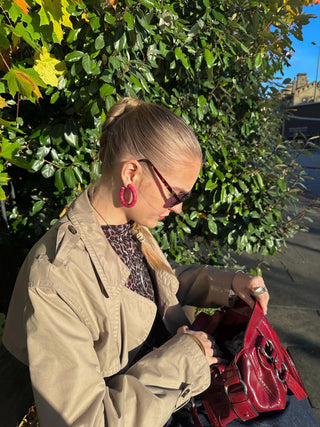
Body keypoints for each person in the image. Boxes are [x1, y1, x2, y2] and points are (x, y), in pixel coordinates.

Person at [2, 98, 318, 427]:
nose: (178, 207)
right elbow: (86, 420)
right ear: (131, 173)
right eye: (176, 194)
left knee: (288, 404)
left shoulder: (130, 228)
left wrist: (230, 285)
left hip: (177, 390)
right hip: (161, 401)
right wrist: (185, 359)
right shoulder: (57, 276)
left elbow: (151, 286)